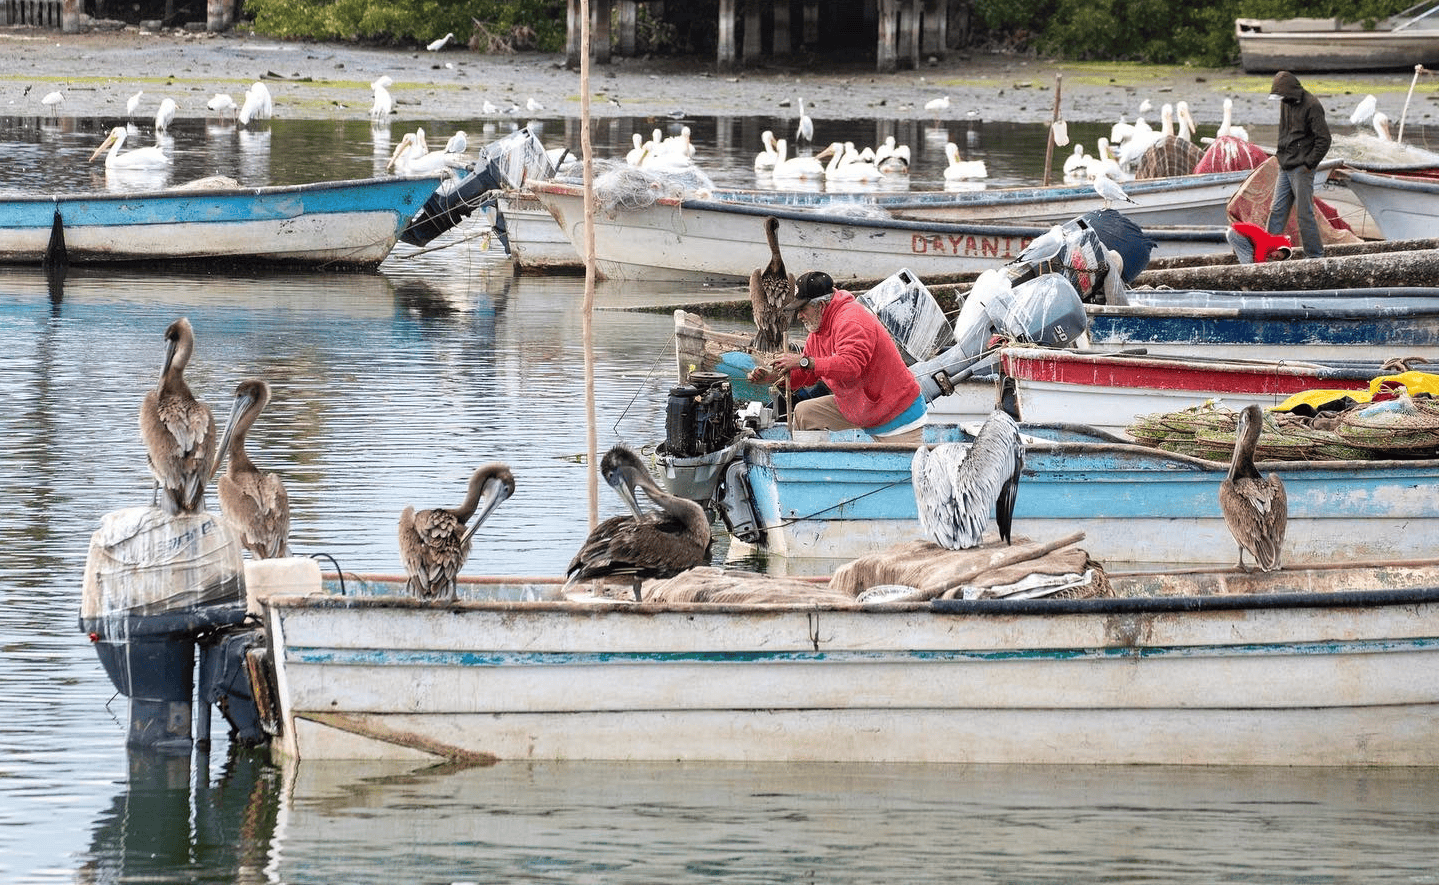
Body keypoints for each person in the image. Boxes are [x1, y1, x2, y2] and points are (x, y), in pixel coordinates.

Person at [746, 270, 926, 445]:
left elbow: (850, 367)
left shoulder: (851, 320)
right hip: (862, 407)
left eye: (803, 309)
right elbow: (809, 375)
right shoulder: (818, 329)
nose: (799, 316)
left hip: (896, 414)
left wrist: (803, 361)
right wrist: (772, 377)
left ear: (821, 306)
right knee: (805, 412)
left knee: (905, 474)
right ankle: (810, 465)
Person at [1266, 70, 1331, 259]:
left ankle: (1315, 256)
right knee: (1277, 210)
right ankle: (1270, 251)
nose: (1281, 100)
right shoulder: (1285, 103)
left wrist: (1309, 164)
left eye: (1283, 95)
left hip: (1302, 168)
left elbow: (1324, 140)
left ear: (1290, 92)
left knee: (1304, 214)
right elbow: (1284, 131)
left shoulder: (1312, 105)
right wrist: (1281, 155)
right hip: (1285, 165)